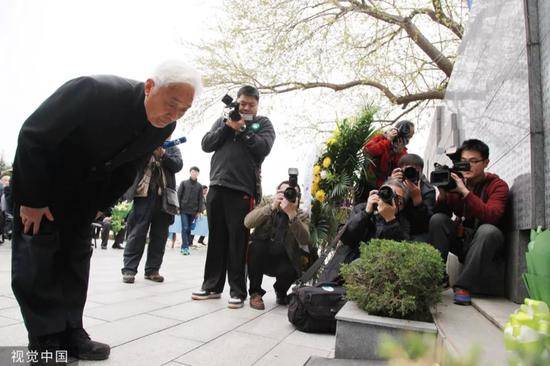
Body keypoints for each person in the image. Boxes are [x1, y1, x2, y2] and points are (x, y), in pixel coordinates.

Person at [11, 60, 201, 363]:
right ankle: (45, 340)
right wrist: (32, 200)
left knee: (75, 264)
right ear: (150, 87)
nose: (174, 115)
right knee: (38, 267)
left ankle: (73, 332)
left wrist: (102, 206)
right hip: (42, 193)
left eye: (183, 110)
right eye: (172, 104)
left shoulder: (165, 126)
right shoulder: (93, 92)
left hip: (83, 201)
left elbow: (130, 166)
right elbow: (35, 136)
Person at [192, 85, 276, 309]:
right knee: (216, 239)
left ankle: (237, 291)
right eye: (243, 103)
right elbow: (206, 144)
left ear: (257, 105)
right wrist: (229, 127)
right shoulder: (224, 120)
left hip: (242, 190)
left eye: (251, 104)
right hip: (216, 186)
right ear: (237, 101)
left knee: (238, 242)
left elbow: (262, 148)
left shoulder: (263, 124)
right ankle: (211, 286)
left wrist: (244, 129)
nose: (246, 107)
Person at [428, 139, 509, 306]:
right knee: (438, 220)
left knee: (489, 230)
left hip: (485, 243)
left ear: (486, 162)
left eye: (473, 162)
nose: (468, 167)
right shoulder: (456, 183)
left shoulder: (498, 185)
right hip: (462, 239)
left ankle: (463, 286)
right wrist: (443, 196)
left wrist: (465, 192)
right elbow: (440, 218)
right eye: (464, 163)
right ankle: (437, 276)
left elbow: (492, 215)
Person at [319, 178, 410, 283]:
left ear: (402, 206)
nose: (389, 199)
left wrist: (390, 220)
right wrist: (366, 213)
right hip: (338, 273)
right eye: (387, 193)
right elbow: (346, 237)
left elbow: (399, 253)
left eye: (396, 198)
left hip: (368, 283)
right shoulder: (362, 209)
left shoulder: (401, 224)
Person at [245, 181, 315, 310]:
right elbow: (248, 222)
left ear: (297, 197)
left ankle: (280, 291)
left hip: (284, 258)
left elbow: (305, 240)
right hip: (262, 256)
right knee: (256, 247)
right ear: (277, 193)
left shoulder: (301, 215)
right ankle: (255, 293)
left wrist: (292, 214)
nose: (286, 196)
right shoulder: (267, 204)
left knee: (295, 266)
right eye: (283, 192)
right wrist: (271, 207)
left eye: (291, 193)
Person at [121, 144, 183, 283]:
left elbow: (178, 165)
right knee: (137, 233)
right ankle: (129, 269)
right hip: (143, 195)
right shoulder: (147, 143)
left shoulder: (173, 149)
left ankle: (152, 270)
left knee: (160, 236)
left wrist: (163, 154)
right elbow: (134, 162)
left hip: (164, 198)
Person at [390, 154, 436, 242]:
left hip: (418, 233)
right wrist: (391, 183)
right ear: (400, 171)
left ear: (421, 172)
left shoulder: (427, 190)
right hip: (395, 228)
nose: (410, 173)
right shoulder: (395, 185)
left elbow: (426, 224)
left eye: (413, 170)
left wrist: (417, 200)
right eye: (407, 170)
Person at [363, 120, 415, 188]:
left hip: (386, 186)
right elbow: (367, 151)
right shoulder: (382, 138)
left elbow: (401, 171)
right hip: (368, 181)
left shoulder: (403, 151)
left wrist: (399, 153)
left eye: (408, 138)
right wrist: (388, 141)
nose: (404, 139)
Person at [177, 166, 204, 255]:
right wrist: (177, 207)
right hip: (183, 210)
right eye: (193, 172)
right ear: (190, 172)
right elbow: (178, 195)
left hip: (194, 211)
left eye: (196, 172)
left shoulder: (199, 186)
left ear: (198, 174)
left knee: (189, 229)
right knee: (185, 227)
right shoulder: (184, 183)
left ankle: (184, 246)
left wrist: (199, 211)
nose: (194, 173)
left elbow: (201, 199)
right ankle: (185, 247)